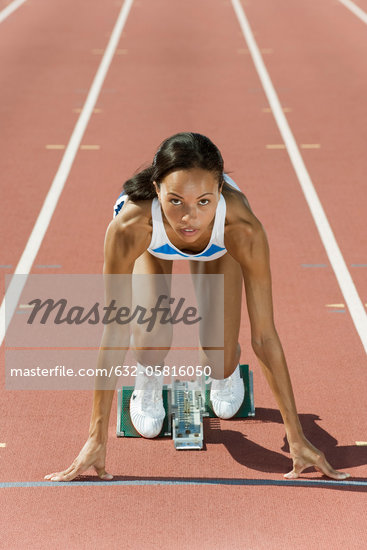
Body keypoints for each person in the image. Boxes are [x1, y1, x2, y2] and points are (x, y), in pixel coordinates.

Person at [45, 132, 349, 482]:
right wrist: (95, 439)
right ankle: (148, 378)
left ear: (220, 191)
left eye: (203, 202)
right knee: (151, 338)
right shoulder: (131, 225)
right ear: (157, 189)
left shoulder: (241, 227)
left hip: (218, 249)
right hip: (153, 247)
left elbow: (265, 336)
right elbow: (114, 331)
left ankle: (225, 371)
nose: (189, 217)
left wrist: (297, 437)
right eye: (176, 201)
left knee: (217, 357)